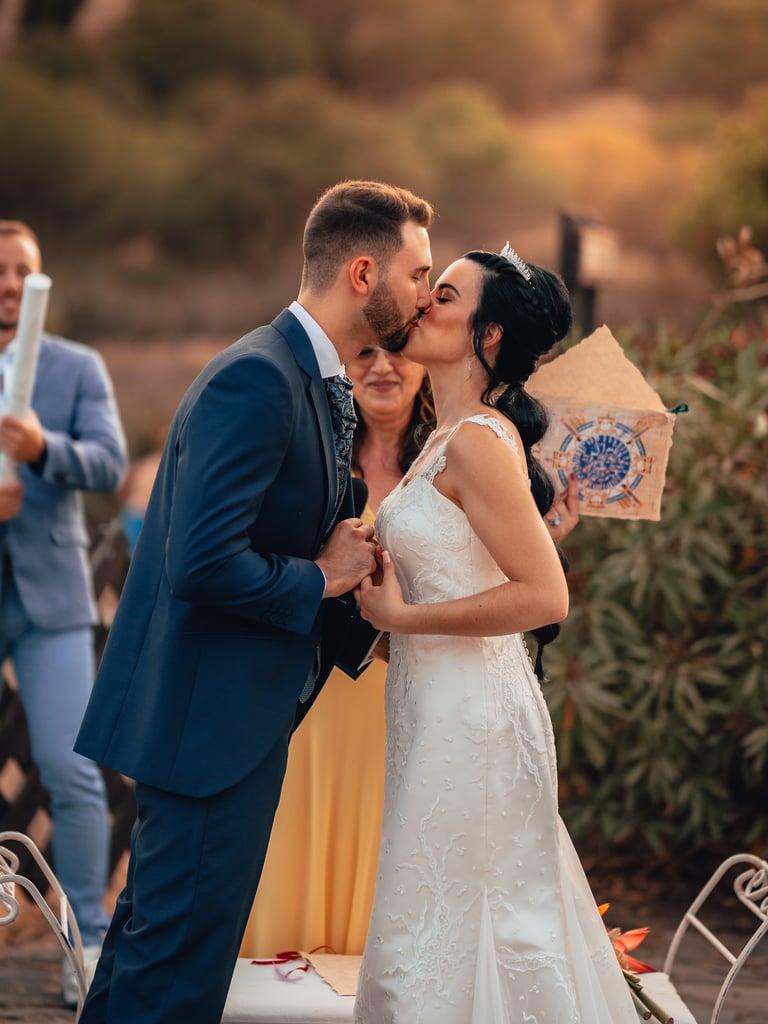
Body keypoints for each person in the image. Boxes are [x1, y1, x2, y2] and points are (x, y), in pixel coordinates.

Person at [73, 180, 434, 1024]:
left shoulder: (306, 378)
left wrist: (374, 618)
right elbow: (201, 564)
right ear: (361, 272)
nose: (424, 292)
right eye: (417, 274)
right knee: (173, 985)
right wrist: (321, 576)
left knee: (146, 965)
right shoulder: (258, 381)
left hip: (227, 725)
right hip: (209, 733)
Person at [353, 246, 639, 1022]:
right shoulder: (443, 441)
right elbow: (474, 572)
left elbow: (545, 596)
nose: (420, 304)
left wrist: (403, 618)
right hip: (433, 706)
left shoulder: (477, 439)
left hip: (470, 721)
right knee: (441, 924)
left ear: (487, 337)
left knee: (447, 934)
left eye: (443, 296)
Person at [241, 345, 579, 958]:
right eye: (364, 354)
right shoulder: (319, 460)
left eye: (395, 353)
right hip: (319, 702)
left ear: (423, 364)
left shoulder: (454, 451)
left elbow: (506, 577)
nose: (381, 367)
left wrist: (544, 537)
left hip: (414, 701)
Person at [0, 220, 128, 1007]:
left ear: (39, 280)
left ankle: (86, 941)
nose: (8, 283)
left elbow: (110, 460)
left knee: (70, 768)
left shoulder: (76, 367)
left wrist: (45, 448)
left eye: (21, 271)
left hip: (51, 599)